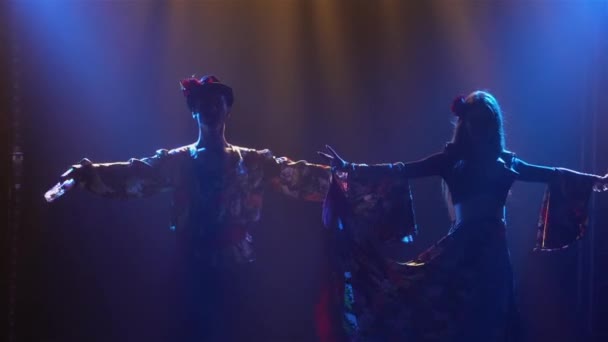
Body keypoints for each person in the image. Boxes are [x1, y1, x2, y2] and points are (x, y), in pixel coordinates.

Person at [52, 75, 330, 341]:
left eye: (216, 103)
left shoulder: (252, 162)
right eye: (203, 104)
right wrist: (88, 173)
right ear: (193, 111)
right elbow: (135, 174)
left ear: (227, 109)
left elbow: (296, 176)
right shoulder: (178, 162)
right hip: (191, 271)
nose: (210, 109)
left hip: (238, 272)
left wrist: (347, 177)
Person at [318, 90, 608, 341]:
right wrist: (351, 168)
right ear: (465, 125)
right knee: (451, 314)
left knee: (493, 315)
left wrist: (593, 180)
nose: (480, 130)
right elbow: (403, 169)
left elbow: (550, 174)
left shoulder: (507, 161)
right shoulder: (451, 160)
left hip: (494, 254)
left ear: (493, 126)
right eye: (475, 124)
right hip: (461, 251)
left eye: (485, 124)